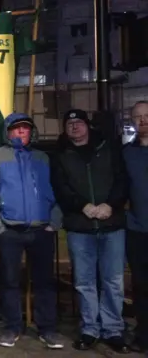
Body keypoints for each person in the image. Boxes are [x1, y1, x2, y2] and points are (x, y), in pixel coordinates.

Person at [0, 112, 63, 349]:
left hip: (41, 230)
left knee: (45, 282)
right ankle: (12, 327)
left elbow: (57, 190)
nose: (21, 132)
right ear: (8, 132)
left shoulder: (43, 158)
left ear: (31, 131)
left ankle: (47, 329)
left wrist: (53, 222)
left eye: (25, 128)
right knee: (10, 281)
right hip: (10, 231)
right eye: (16, 129)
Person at [50, 109, 129, 353]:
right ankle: (90, 329)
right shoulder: (61, 155)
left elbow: (122, 181)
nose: (74, 127)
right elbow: (61, 188)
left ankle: (113, 329)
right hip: (79, 227)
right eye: (69, 123)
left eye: (79, 122)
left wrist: (110, 205)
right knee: (84, 282)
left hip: (111, 224)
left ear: (87, 126)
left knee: (113, 281)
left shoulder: (109, 148)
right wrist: (83, 206)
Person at [123, 101, 148, 353]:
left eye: (147, 116)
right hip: (138, 231)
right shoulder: (127, 154)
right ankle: (143, 335)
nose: (143, 121)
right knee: (141, 287)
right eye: (137, 117)